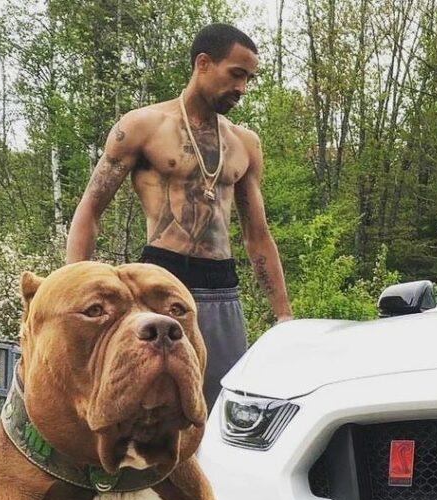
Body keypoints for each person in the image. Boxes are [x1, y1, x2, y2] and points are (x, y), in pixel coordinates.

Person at [65, 23, 293, 408]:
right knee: (148, 402)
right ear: (203, 63)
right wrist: (73, 290)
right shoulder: (143, 127)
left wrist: (283, 315)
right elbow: (89, 210)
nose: (242, 88)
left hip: (222, 286)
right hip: (159, 280)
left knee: (222, 405)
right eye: (236, 74)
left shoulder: (245, 143)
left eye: (248, 79)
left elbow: (257, 235)